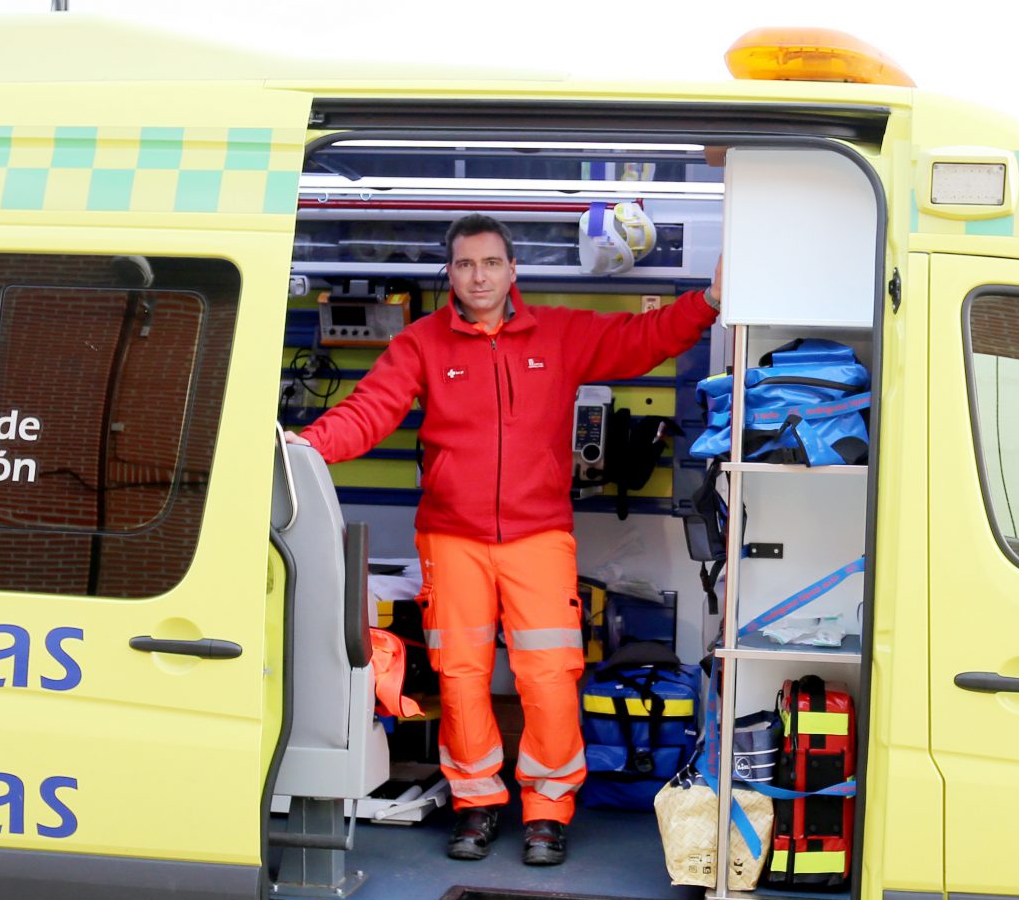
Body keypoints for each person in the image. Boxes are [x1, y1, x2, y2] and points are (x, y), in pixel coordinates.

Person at [291, 214, 720, 865]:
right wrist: (305, 447)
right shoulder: (420, 343)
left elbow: (642, 340)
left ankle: (547, 810)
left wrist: (708, 301)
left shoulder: (560, 332)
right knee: (461, 678)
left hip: (538, 536)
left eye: (490, 263)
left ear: (512, 270)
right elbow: (368, 411)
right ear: (451, 273)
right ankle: (476, 803)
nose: (478, 276)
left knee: (549, 678)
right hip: (450, 538)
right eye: (465, 265)